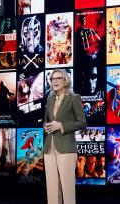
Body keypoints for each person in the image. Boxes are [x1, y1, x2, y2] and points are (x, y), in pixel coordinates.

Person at [44, 69, 87, 204]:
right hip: (49, 148)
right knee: (51, 189)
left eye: (58, 78)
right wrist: (46, 126)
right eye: (52, 79)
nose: (54, 81)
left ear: (65, 80)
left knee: (67, 189)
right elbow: (46, 120)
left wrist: (61, 126)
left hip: (66, 148)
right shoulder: (50, 99)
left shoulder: (74, 98)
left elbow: (82, 123)